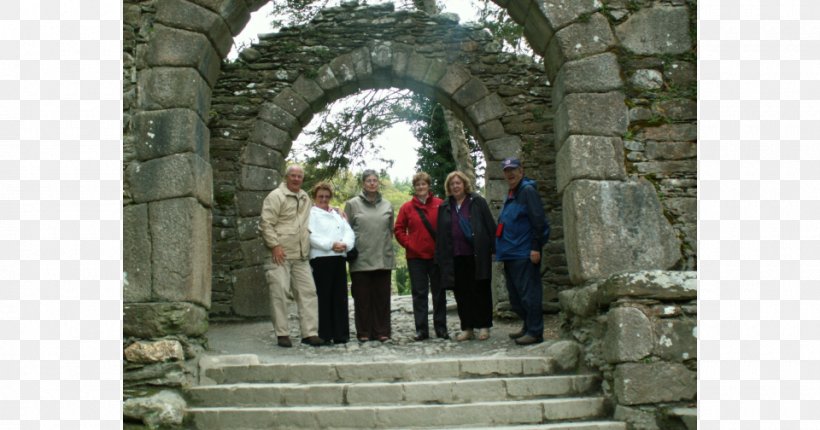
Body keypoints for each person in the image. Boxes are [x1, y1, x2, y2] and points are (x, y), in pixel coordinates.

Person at [258, 165, 324, 348]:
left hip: (301, 255)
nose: (296, 179)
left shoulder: (304, 198)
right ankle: (282, 333)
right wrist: (274, 245)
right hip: (280, 254)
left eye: (299, 176)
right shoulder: (275, 196)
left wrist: (333, 211)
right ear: (286, 177)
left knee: (308, 292)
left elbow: (314, 217)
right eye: (293, 176)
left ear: (302, 179)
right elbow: (266, 223)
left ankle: (310, 333)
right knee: (279, 293)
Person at [435, 171, 496, 341]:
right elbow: (440, 234)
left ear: (464, 184)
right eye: (452, 184)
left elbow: (490, 225)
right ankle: (467, 327)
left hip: (477, 255)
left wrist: (495, 248)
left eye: (458, 183)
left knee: (481, 290)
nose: (455, 186)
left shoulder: (478, 202)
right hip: (455, 256)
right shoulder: (445, 206)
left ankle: (484, 326)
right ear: (448, 187)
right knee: (461, 293)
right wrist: (439, 257)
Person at [495, 157, 550, 346]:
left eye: (513, 170)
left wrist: (535, 247)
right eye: (506, 170)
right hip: (510, 254)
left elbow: (539, 221)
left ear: (521, 171)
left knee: (529, 294)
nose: (510, 173)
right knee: (516, 297)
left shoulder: (527, 191)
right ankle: (527, 326)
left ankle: (535, 331)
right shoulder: (511, 194)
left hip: (524, 253)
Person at [395, 172, 447, 341]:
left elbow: (448, 227)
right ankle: (422, 329)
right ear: (414, 188)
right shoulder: (406, 208)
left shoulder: (440, 204)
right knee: (419, 294)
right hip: (415, 257)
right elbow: (399, 229)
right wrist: (410, 244)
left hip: (436, 256)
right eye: (418, 185)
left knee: (439, 293)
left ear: (428, 186)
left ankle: (441, 327)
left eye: (423, 184)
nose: (421, 187)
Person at [344, 170, 395, 342]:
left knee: (382, 298)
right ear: (363, 183)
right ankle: (364, 332)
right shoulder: (352, 204)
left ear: (378, 183)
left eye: (375, 180)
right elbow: (346, 230)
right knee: (362, 299)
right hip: (360, 258)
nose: (372, 183)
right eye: (368, 180)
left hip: (383, 257)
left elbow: (390, 230)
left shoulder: (388, 205)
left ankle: (382, 331)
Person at [308, 181, 355, 345]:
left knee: (340, 297)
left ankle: (341, 334)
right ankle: (325, 333)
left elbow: (348, 231)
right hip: (321, 258)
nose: (324, 199)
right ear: (315, 197)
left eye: (327, 196)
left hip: (338, 258)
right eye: (320, 196)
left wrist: (345, 245)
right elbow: (311, 236)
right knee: (324, 297)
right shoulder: (310, 214)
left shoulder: (337, 214)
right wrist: (331, 244)